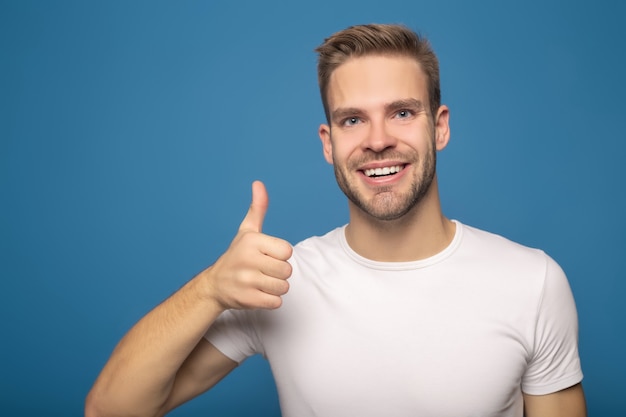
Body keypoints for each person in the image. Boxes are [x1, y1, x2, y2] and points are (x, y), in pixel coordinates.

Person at [85, 24, 586, 417]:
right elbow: (111, 409)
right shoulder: (280, 283)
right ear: (329, 143)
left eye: (403, 113)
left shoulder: (532, 282)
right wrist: (211, 288)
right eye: (352, 120)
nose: (377, 139)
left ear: (440, 127)